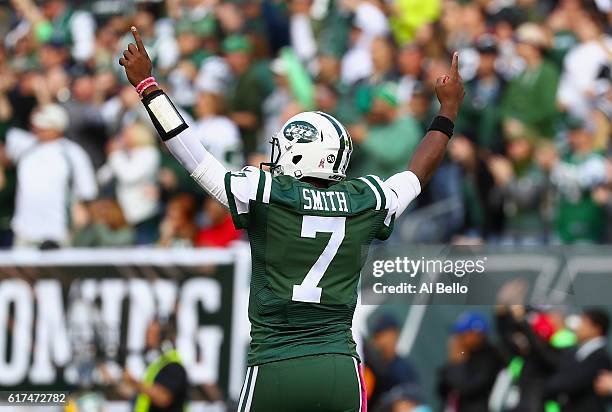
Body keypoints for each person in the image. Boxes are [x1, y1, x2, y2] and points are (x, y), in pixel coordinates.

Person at [119, 26, 464, 411]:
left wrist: (147, 86)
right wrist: (447, 110)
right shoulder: (363, 198)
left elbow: (193, 156)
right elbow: (418, 172)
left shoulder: (267, 193)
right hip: (339, 366)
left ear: (298, 154)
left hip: (276, 363)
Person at [4, 103, 97, 248]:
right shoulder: (26, 145)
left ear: (58, 127)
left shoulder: (72, 152)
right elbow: (5, 130)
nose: (38, 128)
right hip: (23, 231)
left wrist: (81, 215)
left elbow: (87, 192)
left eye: (44, 125)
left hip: (59, 233)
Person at [544, 309, 612, 412]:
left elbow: (572, 383)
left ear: (596, 329)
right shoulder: (576, 351)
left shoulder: (600, 357)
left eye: (584, 322)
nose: (578, 327)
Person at [438, 312, 503, 412]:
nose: (458, 339)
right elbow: (442, 390)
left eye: (462, 335)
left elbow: (466, 387)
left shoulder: (490, 357)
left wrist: (458, 363)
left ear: (477, 335)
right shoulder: (465, 353)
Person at [122, 317, 189, 412]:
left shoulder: (173, 366)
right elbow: (140, 393)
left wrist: (134, 382)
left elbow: (163, 398)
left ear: (163, 337)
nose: (146, 337)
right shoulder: (156, 365)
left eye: (151, 334)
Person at [365, 314, 420, 410]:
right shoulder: (368, 364)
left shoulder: (404, 370)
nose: (380, 341)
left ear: (395, 333)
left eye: (384, 334)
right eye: (377, 336)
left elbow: (409, 404)